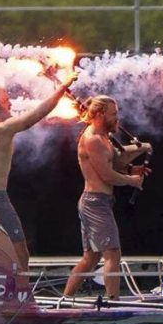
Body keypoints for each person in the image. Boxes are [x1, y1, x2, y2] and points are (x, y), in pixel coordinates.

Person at [0, 55, 76, 271]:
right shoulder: (2, 129)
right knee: (20, 253)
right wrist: (64, 85)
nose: (10, 102)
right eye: (6, 99)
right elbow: (37, 114)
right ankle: (22, 298)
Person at [61, 96, 149, 300]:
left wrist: (138, 156)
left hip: (101, 201)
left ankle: (65, 300)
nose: (117, 118)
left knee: (91, 258)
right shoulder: (92, 139)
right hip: (95, 202)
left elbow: (115, 162)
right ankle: (113, 302)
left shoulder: (104, 138)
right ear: (100, 114)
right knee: (113, 254)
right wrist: (132, 180)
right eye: (114, 114)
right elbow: (106, 175)